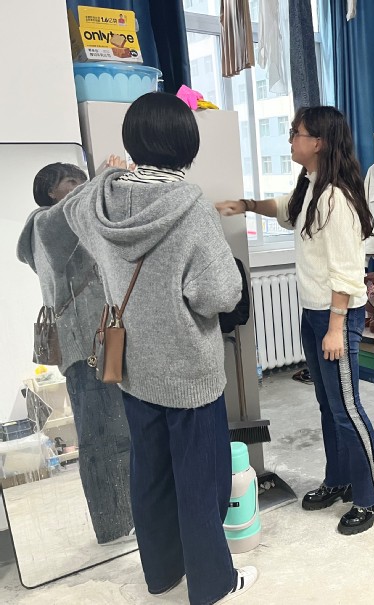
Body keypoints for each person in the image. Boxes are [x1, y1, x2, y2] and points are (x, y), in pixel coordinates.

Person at [62, 92, 258, 604]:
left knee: (149, 474)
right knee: (202, 482)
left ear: (133, 141)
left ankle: (163, 575)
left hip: (133, 368)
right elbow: (219, 294)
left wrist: (107, 173)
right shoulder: (190, 206)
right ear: (186, 145)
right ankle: (213, 584)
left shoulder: (100, 203)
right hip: (189, 372)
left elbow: (73, 209)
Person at [216, 106, 374, 535]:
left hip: (336, 316)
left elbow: (347, 271)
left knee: (347, 409)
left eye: (295, 133)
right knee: (329, 407)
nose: (290, 140)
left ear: (318, 142)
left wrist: (335, 328)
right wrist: (247, 205)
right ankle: (340, 479)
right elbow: (285, 208)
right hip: (314, 312)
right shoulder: (312, 186)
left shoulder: (336, 198)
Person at [17, 161, 134, 546]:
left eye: (82, 180)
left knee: (117, 432)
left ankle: (126, 518)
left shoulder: (72, 222)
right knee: (103, 438)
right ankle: (115, 527)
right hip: (85, 348)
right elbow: (64, 220)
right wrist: (99, 178)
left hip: (99, 342)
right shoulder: (43, 224)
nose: (80, 186)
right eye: (71, 181)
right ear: (50, 191)